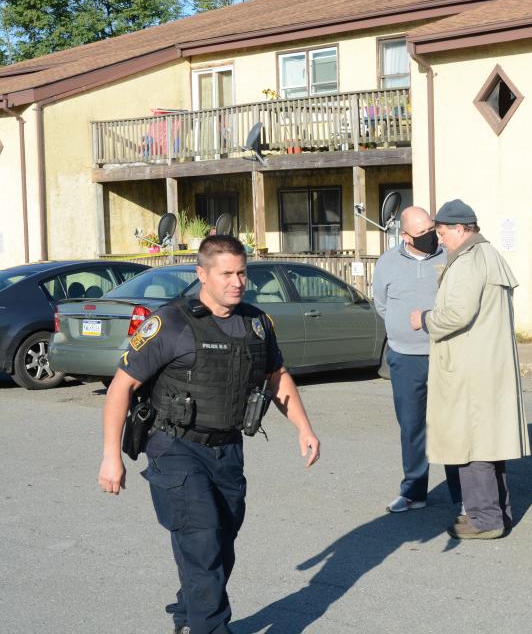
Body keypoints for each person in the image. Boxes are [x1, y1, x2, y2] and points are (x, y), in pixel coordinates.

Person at [97, 235, 321, 634]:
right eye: (227, 274)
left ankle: (189, 615)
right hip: (175, 448)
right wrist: (111, 456)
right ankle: (211, 627)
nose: (237, 282)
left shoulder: (256, 323)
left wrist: (303, 427)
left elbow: (277, 377)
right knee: (202, 544)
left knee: (221, 545)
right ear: (202, 274)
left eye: (242, 273)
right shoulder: (170, 323)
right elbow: (121, 388)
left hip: (228, 450)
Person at [410, 199, 529, 539]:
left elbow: (457, 314)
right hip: (485, 364)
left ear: (461, 229)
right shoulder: (487, 255)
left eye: (443, 232)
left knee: (471, 444)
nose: (440, 239)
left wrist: (425, 319)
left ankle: (484, 520)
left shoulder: (468, 261)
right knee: (487, 443)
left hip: (469, 368)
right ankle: (496, 514)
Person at [373, 206, 462, 513]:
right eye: (422, 232)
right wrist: (403, 332)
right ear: (405, 235)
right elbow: (382, 305)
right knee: (411, 427)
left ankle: (461, 495)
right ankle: (414, 491)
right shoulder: (387, 262)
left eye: (432, 229)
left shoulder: (448, 257)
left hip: (444, 354)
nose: (430, 236)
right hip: (405, 358)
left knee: (449, 426)